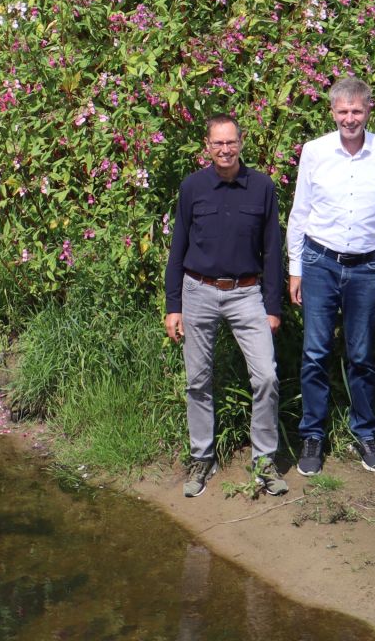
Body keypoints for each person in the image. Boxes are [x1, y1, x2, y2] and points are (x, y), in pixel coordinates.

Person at [286, 76, 375, 477]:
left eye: (357, 111)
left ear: (369, 110)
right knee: (315, 353)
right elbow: (299, 213)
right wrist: (295, 268)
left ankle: (365, 432)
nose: (350, 118)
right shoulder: (315, 151)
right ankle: (313, 435)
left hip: (367, 267)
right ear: (333, 112)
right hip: (320, 263)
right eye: (343, 112)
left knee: (361, 355)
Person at [164, 114, 287, 497]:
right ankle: (202, 457)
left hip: (247, 294)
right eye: (217, 143)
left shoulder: (262, 188)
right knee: (198, 380)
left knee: (266, 376)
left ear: (241, 142)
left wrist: (273, 306)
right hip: (197, 291)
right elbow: (177, 248)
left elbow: (273, 253)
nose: (225, 149)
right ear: (207, 146)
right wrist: (174, 305)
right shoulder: (193, 187)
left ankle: (264, 459)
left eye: (231, 142)